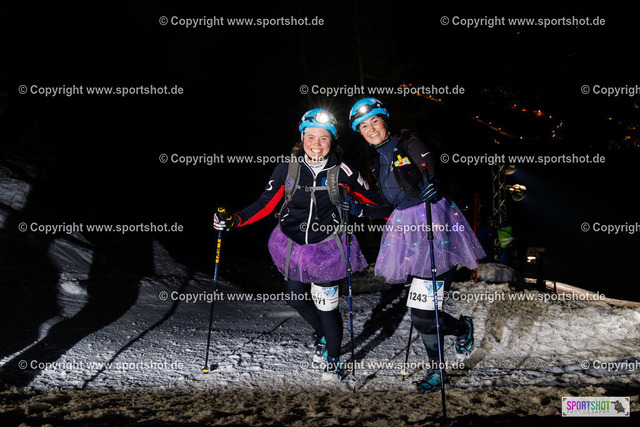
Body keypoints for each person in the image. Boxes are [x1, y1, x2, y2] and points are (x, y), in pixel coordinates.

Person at [214, 108, 386, 381]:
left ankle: (333, 360)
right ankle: (322, 335)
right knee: (294, 297)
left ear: (332, 140)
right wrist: (234, 220)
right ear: (303, 138)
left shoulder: (344, 171)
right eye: (311, 137)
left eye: (323, 138)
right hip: (292, 244)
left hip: (327, 248)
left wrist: (397, 209)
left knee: (326, 307)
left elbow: (377, 203)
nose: (316, 144)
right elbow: (265, 204)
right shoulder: (288, 168)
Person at [348, 98, 486, 392]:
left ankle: (441, 365)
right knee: (423, 314)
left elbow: (428, 165)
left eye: (375, 121)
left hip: (435, 229)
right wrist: (362, 211)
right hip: (407, 237)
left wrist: (433, 182)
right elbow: (391, 205)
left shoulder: (409, 142)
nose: (371, 129)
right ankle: (460, 330)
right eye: (364, 126)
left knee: (423, 316)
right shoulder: (377, 163)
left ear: (385, 121)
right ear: (360, 132)